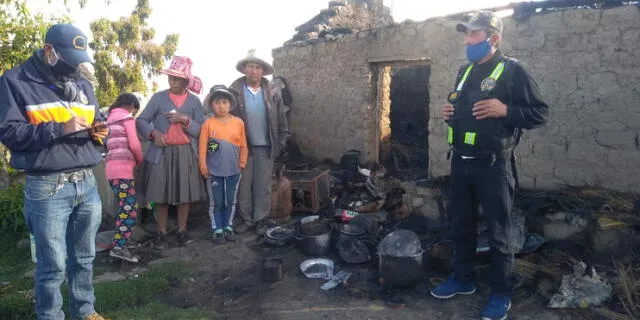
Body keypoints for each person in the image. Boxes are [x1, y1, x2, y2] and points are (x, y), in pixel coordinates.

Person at [429, 11, 549, 320]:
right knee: (461, 226)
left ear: (493, 38)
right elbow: (463, 107)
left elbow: (539, 114)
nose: (467, 40)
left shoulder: (513, 71)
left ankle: (501, 292)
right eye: (466, 34)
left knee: (499, 233)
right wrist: (449, 113)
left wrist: (505, 109)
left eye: (474, 34)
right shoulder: (465, 71)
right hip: (461, 162)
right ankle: (463, 279)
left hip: (493, 165)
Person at [0, 23, 107, 320]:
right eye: (69, 58)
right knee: (52, 265)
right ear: (49, 51)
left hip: (86, 181)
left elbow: (94, 118)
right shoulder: (15, 81)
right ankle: (50, 316)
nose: (74, 65)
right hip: (48, 186)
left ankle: (85, 311)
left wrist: (99, 131)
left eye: (78, 59)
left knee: (85, 257)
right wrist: (60, 129)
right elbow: (8, 131)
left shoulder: (83, 83)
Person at [136, 56, 206, 249]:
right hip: (162, 152)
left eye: (176, 78)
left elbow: (201, 129)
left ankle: (182, 230)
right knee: (160, 194)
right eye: (170, 78)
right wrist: (153, 132)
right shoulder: (158, 98)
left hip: (185, 152)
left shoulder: (194, 102)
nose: (172, 81)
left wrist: (185, 120)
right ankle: (161, 232)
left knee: (185, 194)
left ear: (186, 81)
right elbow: (141, 120)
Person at [230, 49, 289, 236]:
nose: (254, 70)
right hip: (243, 147)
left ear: (262, 71)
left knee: (263, 185)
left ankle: (260, 220)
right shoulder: (235, 91)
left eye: (258, 67)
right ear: (244, 69)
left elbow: (281, 119)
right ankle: (246, 219)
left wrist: (280, 143)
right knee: (244, 185)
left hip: (266, 146)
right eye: (250, 66)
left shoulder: (272, 91)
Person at [199, 85, 248, 244]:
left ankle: (228, 226)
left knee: (230, 200)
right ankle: (217, 229)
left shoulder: (238, 123)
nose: (221, 106)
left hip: (234, 170)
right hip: (213, 171)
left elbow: (243, 145)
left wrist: (242, 162)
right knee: (216, 202)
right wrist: (204, 167)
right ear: (212, 105)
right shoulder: (208, 124)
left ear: (230, 104)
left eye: (224, 102)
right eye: (217, 102)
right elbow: (203, 148)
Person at [105, 93, 143, 262]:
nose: (134, 113)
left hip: (111, 170)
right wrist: (140, 160)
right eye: (135, 110)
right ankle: (119, 248)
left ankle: (122, 242)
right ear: (131, 106)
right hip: (123, 170)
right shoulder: (127, 119)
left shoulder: (109, 119)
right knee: (130, 211)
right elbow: (134, 144)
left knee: (123, 208)